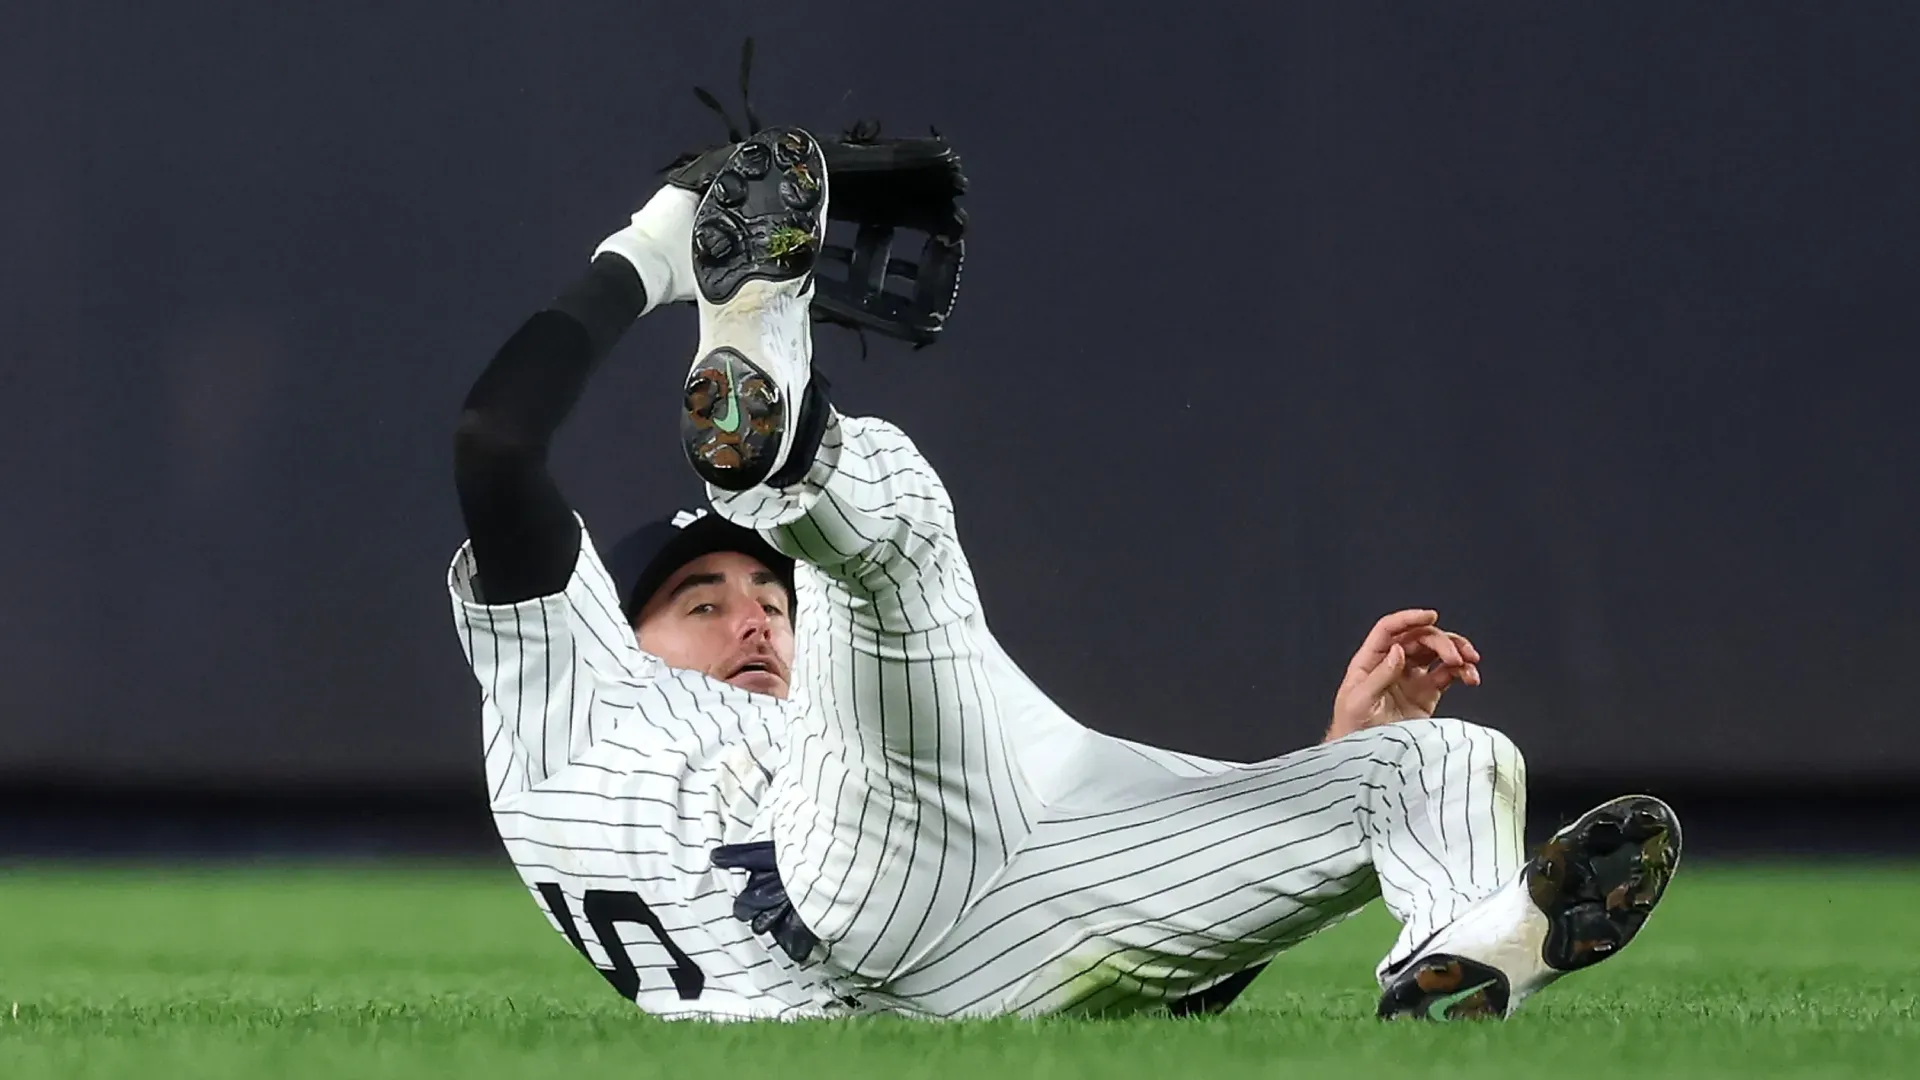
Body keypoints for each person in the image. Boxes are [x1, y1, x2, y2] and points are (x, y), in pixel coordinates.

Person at [447, 123, 1682, 1022]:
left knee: (1447, 763)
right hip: (860, 894)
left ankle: (1474, 948)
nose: (750, 618)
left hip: (985, 963)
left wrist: (1331, 746)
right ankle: (775, 436)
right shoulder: (577, 702)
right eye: (700, 601)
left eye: (763, 592)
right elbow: (495, 443)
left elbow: (1168, 992)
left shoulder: (803, 712)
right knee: (900, 531)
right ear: (612, 625)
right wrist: (656, 248)